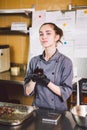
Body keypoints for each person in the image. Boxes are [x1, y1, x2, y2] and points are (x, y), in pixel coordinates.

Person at [23, 22, 73, 111]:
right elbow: (27, 92)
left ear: (56, 37)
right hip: (37, 109)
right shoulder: (34, 61)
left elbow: (66, 92)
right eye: (41, 34)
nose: (44, 37)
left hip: (58, 111)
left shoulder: (65, 62)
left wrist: (47, 82)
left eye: (48, 33)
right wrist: (33, 80)